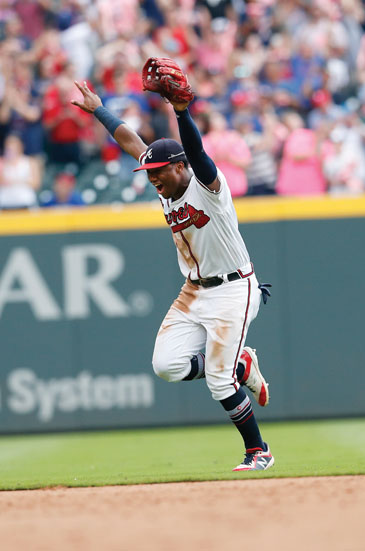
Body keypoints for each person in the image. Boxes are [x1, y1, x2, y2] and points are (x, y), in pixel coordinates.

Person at [70, 79, 274, 471]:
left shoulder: (208, 187)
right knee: (167, 365)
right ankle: (242, 365)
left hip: (234, 288)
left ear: (180, 167)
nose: (152, 178)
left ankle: (258, 451)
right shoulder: (165, 185)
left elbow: (196, 152)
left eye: (158, 171)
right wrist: (99, 109)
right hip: (194, 291)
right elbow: (130, 140)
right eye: (149, 172)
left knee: (219, 381)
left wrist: (181, 112)